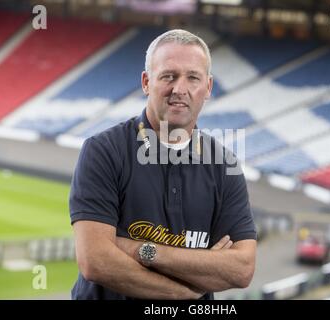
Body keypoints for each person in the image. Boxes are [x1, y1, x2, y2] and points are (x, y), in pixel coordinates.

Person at [69, 29, 257, 300]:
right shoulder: (103, 151)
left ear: (208, 88)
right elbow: (95, 260)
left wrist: (140, 250)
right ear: (146, 82)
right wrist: (185, 292)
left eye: (193, 77)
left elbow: (241, 269)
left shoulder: (225, 164)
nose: (179, 89)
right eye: (168, 76)